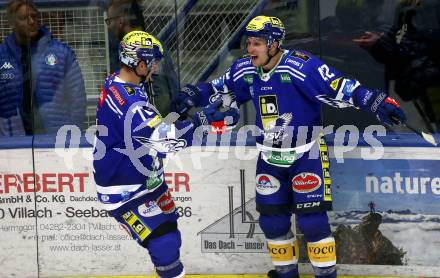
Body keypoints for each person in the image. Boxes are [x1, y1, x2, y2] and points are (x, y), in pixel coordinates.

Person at [172, 15, 406, 278]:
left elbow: (341, 87)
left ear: (273, 44)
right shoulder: (247, 69)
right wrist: (195, 92)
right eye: (249, 43)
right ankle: (286, 274)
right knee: (272, 221)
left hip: (307, 154)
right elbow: (221, 88)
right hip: (270, 157)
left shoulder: (301, 66)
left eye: (257, 43)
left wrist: (375, 101)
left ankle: (326, 276)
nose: (250, 49)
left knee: (313, 223)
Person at [93, 30, 225, 278]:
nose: (154, 69)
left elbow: (148, 129)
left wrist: (178, 115)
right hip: (124, 187)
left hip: (145, 177)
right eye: (152, 64)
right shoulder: (130, 101)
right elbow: (163, 142)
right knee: (163, 242)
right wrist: (201, 121)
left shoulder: (119, 83)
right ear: (139, 64)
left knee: (169, 233)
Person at [0, 0, 86, 136]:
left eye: (34, 16)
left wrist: (72, 134)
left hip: (55, 139)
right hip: (13, 142)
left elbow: (77, 99)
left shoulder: (61, 53)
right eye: (24, 18)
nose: (31, 21)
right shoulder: (2, 56)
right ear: (11, 23)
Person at [353, 0, 440, 131]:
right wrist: (379, 43)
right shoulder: (405, 9)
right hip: (420, 92)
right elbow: (398, 40)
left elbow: (419, 46)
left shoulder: (430, 7)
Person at [105, 0, 179, 116]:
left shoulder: (138, 48)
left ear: (120, 21)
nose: (109, 27)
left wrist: (151, 127)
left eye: (109, 21)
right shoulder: (150, 44)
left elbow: (161, 96)